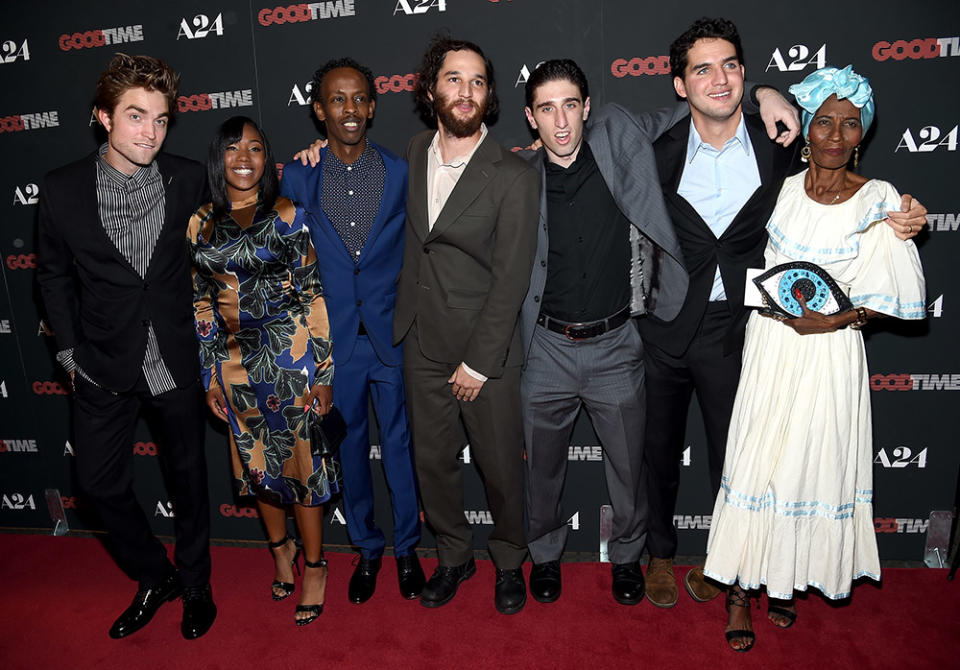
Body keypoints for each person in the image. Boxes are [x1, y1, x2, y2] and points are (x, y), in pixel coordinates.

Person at [639, 17, 928, 610]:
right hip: (666, 328)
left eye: (731, 66)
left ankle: (740, 580)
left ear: (745, 74)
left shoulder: (776, 145)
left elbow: (851, 195)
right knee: (658, 455)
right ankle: (661, 557)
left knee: (744, 463)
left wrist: (904, 213)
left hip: (739, 332)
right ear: (678, 83)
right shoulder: (656, 148)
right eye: (702, 68)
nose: (719, 79)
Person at [518, 59, 800, 606]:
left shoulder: (620, 132)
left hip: (617, 343)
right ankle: (545, 555)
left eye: (571, 105)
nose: (560, 122)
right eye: (547, 109)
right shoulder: (517, 178)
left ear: (587, 108)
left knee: (630, 467)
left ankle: (629, 557)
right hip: (546, 346)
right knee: (543, 467)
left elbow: (699, 103)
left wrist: (762, 93)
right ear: (531, 118)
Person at [703, 65, 926, 652]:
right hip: (771, 344)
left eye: (849, 124)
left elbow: (889, 296)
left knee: (808, 462)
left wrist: (836, 319)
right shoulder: (777, 185)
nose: (833, 134)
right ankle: (738, 591)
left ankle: (785, 579)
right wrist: (768, 90)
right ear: (805, 127)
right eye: (823, 121)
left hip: (830, 353)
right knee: (756, 461)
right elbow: (727, 112)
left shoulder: (879, 199)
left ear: (863, 134)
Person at [36, 53, 216, 640]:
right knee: (97, 486)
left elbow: (250, 196)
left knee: (188, 482)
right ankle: (153, 574)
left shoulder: (188, 177)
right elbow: (53, 276)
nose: (151, 133)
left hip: (175, 358)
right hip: (102, 363)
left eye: (161, 120)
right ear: (102, 118)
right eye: (136, 117)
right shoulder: (62, 190)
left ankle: (194, 584)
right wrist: (69, 353)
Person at [394, 36, 539, 614]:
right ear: (432, 89)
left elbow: (512, 279)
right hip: (421, 340)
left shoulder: (514, 175)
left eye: (478, 81)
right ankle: (453, 556)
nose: (466, 91)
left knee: (501, 466)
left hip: (487, 352)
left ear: (489, 96)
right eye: (454, 79)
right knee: (432, 464)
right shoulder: (412, 152)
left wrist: (479, 361)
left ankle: (509, 559)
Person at [281, 57, 425, 605]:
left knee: (400, 449)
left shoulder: (400, 170)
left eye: (359, 98)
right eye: (337, 99)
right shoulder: (297, 176)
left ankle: (408, 548)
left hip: (391, 339)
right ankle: (367, 549)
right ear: (320, 110)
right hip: (335, 347)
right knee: (348, 453)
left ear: (371, 105)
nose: (349, 109)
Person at [188, 116, 337, 627]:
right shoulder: (200, 223)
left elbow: (312, 295)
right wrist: (210, 374)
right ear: (219, 158)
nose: (244, 158)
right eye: (233, 148)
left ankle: (314, 567)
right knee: (258, 471)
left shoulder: (287, 215)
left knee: (300, 470)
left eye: (255, 147)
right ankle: (280, 551)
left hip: (290, 362)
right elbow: (201, 304)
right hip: (234, 368)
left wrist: (323, 371)